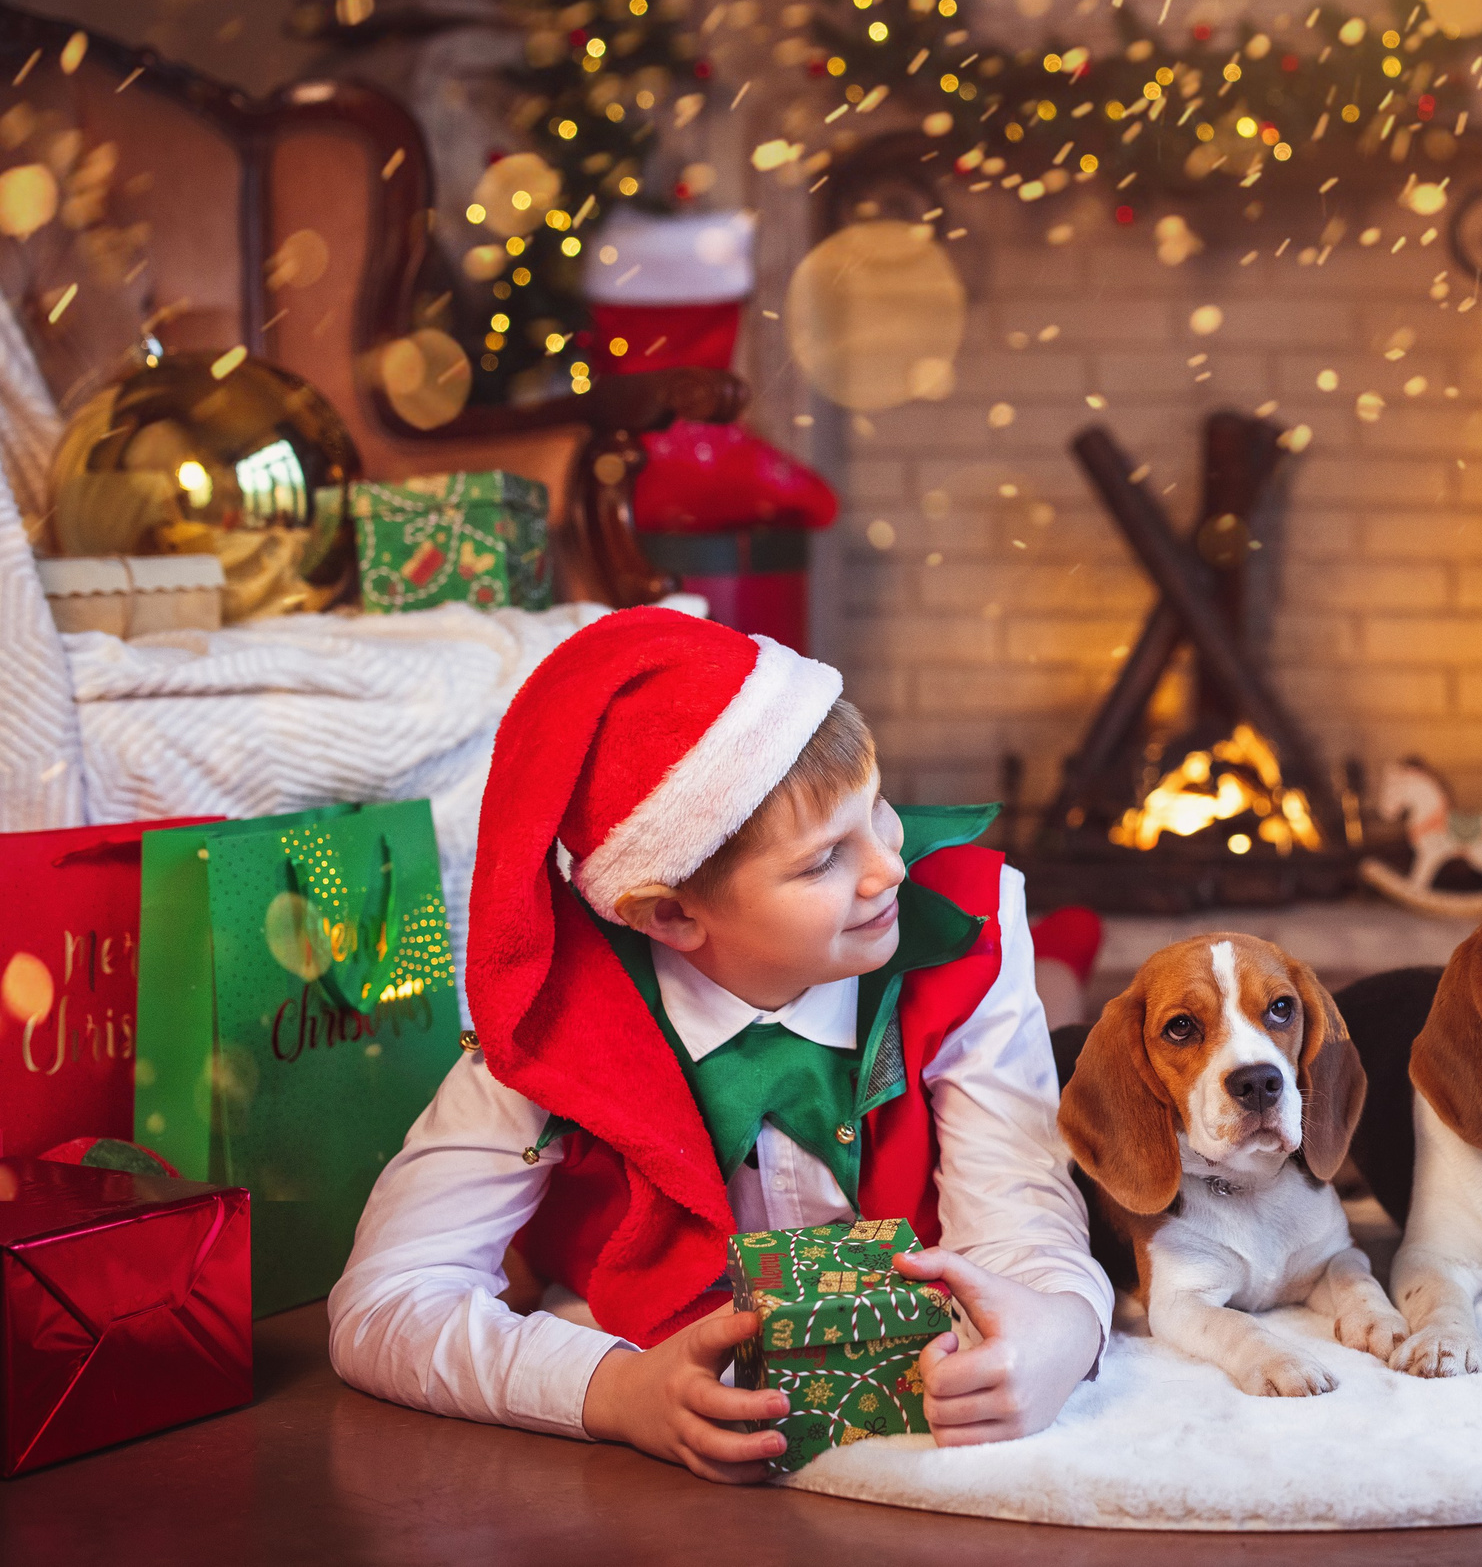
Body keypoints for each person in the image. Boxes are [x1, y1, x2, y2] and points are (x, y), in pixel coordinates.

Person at [330, 608, 1109, 1481]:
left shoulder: (956, 924)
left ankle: (1067, 959)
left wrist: (1063, 1327)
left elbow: (1020, 1213)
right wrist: (613, 1391)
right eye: (822, 862)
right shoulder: (553, 1023)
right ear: (669, 914)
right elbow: (384, 1300)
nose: (889, 865)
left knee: (1062, 1030)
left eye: (878, 804)